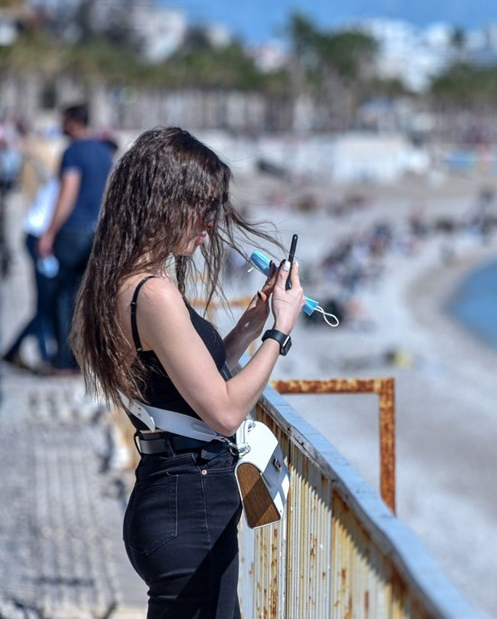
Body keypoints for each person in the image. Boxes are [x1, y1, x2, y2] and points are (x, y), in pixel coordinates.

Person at [71, 127, 305, 617]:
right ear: (166, 201)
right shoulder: (153, 293)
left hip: (168, 493)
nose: (209, 225)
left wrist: (251, 324)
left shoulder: (122, 279)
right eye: (204, 207)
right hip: (188, 501)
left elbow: (179, 375)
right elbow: (222, 411)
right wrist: (280, 331)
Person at [38, 104, 114, 373]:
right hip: (95, 229)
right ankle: (84, 360)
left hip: (72, 231)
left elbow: (68, 193)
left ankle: (63, 362)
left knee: (63, 296)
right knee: (86, 298)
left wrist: (49, 232)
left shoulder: (72, 152)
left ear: (72, 122)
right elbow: (107, 195)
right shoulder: (104, 151)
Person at [2, 121, 60, 369]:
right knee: (46, 301)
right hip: (40, 238)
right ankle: (44, 356)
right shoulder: (63, 176)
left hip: (38, 236)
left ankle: (22, 351)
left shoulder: (56, 170)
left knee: (47, 301)